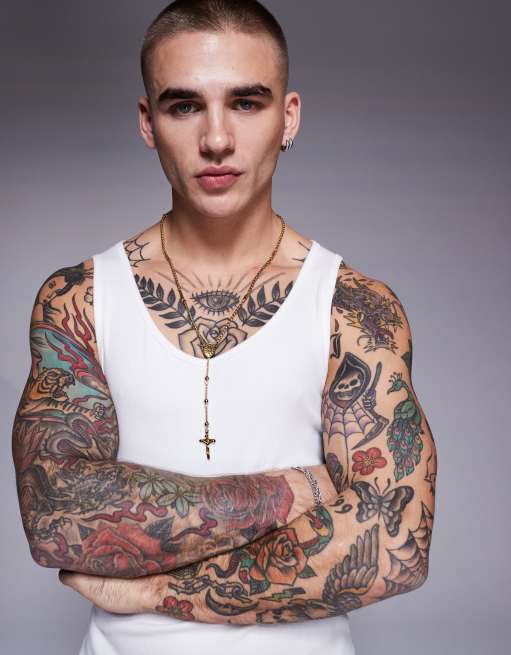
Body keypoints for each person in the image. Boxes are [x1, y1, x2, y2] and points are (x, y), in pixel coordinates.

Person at [12, 1, 437, 654]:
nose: (216, 139)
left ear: (287, 117)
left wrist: (158, 591)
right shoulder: (80, 300)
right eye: (184, 106)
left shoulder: (353, 308)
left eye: (245, 103)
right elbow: (55, 514)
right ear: (148, 122)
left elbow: (391, 545)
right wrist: (295, 490)